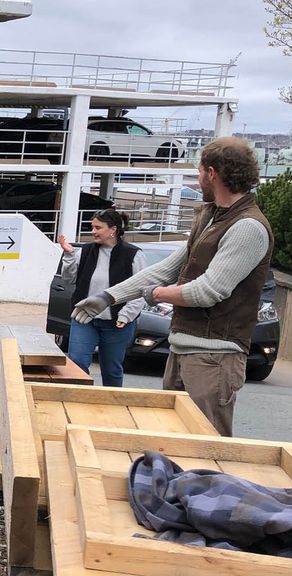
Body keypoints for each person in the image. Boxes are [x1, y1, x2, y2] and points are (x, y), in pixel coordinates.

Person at [71, 137, 273, 436]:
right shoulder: (210, 217)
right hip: (182, 350)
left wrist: (156, 295)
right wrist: (108, 296)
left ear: (212, 173)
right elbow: (168, 268)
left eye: (200, 171)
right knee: (173, 442)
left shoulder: (247, 227)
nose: (198, 177)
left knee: (206, 447)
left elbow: (208, 290)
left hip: (214, 357)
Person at [58, 209, 147, 387]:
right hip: (85, 319)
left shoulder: (133, 255)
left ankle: (112, 408)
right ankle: (78, 404)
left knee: (111, 369)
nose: (93, 231)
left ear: (112, 230)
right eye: (92, 227)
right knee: (76, 362)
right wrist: (68, 255)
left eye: (98, 227)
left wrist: (126, 315)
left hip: (117, 323)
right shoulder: (85, 251)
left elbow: (142, 289)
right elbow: (68, 280)